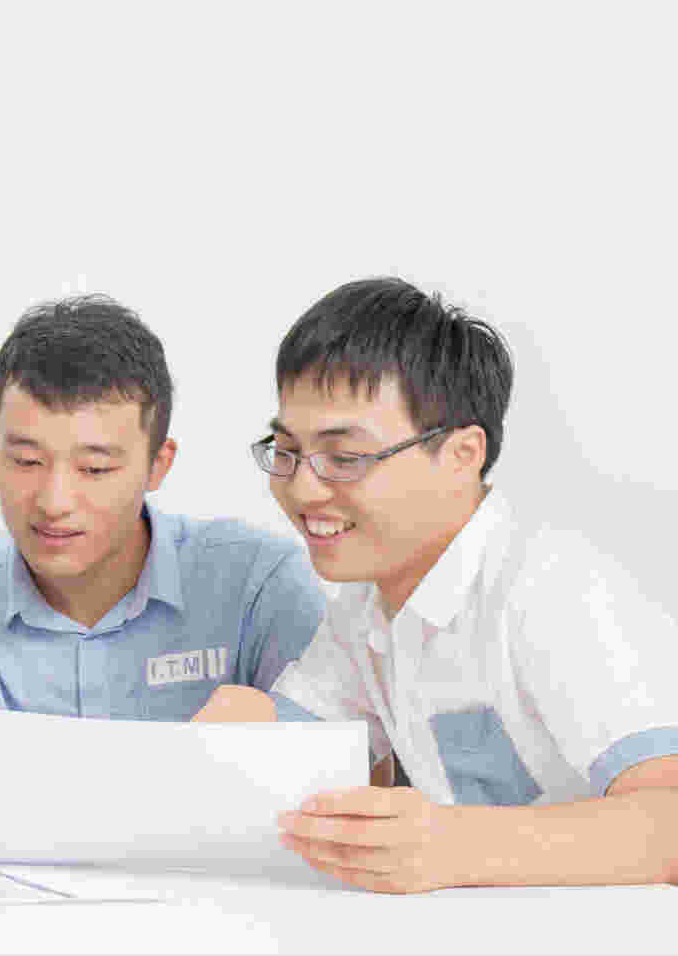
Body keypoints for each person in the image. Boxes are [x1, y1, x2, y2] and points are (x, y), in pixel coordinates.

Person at [196, 277, 678, 892]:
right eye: (287, 450)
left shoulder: (550, 587)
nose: (303, 488)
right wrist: (245, 725)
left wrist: (453, 844)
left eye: (344, 458)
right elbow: (298, 737)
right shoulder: (365, 605)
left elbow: (668, 821)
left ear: (461, 455)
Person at [0, 295, 326, 737]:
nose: (54, 502)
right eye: (27, 461)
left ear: (157, 465)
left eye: (94, 469)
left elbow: (340, 750)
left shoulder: (258, 585)